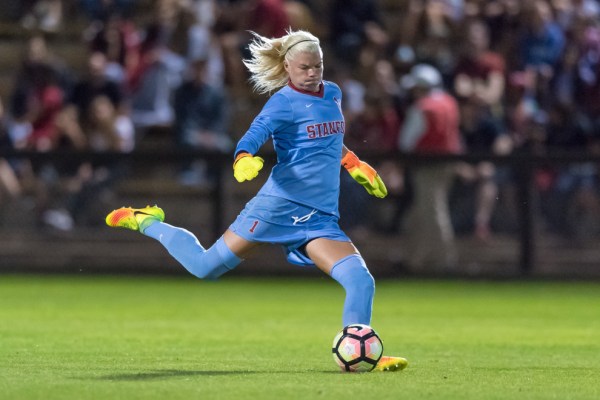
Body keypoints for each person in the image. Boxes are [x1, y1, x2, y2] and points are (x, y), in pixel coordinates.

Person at [105, 29, 407, 372]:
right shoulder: (282, 102)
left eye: (318, 66)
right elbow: (250, 138)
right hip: (277, 207)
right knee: (206, 267)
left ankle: (360, 354)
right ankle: (148, 221)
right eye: (305, 67)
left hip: (320, 217)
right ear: (288, 67)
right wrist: (243, 158)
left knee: (360, 280)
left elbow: (328, 140)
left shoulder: (333, 94)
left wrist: (353, 164)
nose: (312, 73)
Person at [398, 63, 462, 273]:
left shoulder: (422, 108)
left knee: (433, 211)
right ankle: (415, 260)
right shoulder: (450, 103)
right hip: (448, 163)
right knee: (421, 212)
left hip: (426, 166)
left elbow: (406, 142)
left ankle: (445, 260)